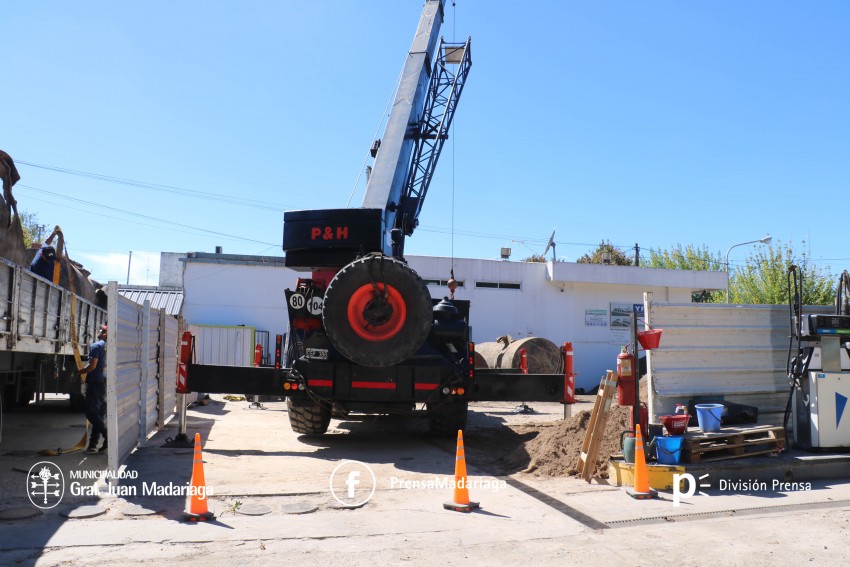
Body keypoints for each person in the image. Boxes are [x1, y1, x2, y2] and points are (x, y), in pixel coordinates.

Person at [80, 325, 108, 453]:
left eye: (102, 330)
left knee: (91, 413)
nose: (99, 331)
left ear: (106, 334)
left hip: (95, 383)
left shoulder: (96, 346)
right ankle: (92, 444)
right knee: (99, 414)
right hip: (104, 384)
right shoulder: (110, 347)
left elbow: (92, 366)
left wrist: (79, 371)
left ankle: (106, 435)